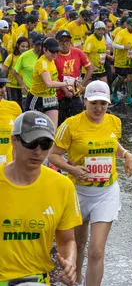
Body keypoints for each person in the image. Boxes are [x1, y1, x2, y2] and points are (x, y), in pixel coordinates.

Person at [48, 81, 132, 286]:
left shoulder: (114, 122)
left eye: (103, 103)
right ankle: (75, 282)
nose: (99, 108)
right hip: (78, 192)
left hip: (106, 193)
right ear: (85, 100)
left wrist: (126, 154)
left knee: (96, 251)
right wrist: (72, 169)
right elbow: (53, 155)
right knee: (78, 244)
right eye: (94, 102)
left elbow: (112, 143)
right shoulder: (70, 125)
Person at [0, 110, 82, 285]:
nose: (38, 151)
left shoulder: (62, 186)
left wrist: (70, 262)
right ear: (14, 140)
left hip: (35, 280)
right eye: (32, 143)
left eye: (45, 144)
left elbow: (67, 240)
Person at [25, 37, 75, 128]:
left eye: (57, 51)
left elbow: (54, 79)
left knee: (52, 129)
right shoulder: (42, 62)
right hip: (38, 98)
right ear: (44, 49)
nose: (55, 54)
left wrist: (67, 88)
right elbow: (49, 83)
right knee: (34, 129)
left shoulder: (51, 61)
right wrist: (67, 83)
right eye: (52, 51)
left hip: (51, 98)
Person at [55, 30, 93, 125]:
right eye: (61, 41)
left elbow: (90, 68)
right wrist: (65, 90)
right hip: (59, 94)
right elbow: (53, 76)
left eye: (67, 41)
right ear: (57, 42)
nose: (64, 44)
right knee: (61, 122)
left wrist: (81, 85)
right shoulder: (54, 55)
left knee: (78, 120)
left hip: (75, 92)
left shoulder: (77, 52)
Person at [111, 17, 132, 105]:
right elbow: (114, 44)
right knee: (121, 77)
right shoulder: (121, 33)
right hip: (121, 60)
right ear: (127, 25)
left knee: (130, 78)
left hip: (131, 60)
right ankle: (114, 92)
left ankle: (129, 97)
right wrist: (124, 47)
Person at [13, 32, 44, 103]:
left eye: (41, 45)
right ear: (33, 44)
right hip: (28, 93)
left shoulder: (47, 56)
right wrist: (22, 85)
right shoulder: (24, 56)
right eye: (37, 45)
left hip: (43, 94)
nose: (39, 48)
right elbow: (15, 72)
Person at [0, 71, 22, 164]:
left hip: (9, 169)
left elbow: (21, 138)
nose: (0, 90)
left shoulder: (14, 107)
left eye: (2, 86)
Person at [2, 36, 30, 108]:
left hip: (24, 88)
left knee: (22, 107)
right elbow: (3, 71)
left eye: (27, 47)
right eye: (22, 46)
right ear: (18, 46)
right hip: (11, 87)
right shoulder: (11, 57)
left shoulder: (28, 57)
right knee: (13, 106)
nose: (25, 49)